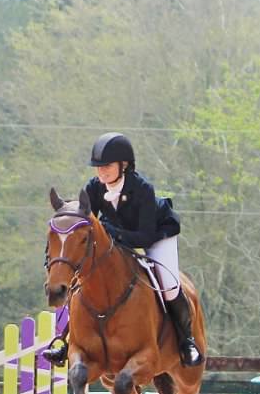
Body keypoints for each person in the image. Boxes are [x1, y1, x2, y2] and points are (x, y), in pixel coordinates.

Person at [42, 132, 203, 367]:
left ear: (123, 165)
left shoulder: (142, 189)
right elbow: (88, 227)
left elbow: (144, 236)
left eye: (107, 166)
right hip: (119, 240)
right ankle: (63, 341)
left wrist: (111, 234)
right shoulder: (94, 188)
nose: (102, 172)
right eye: (98, 167)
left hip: (156, 236)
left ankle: (186, 341)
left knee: (168, 284)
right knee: (79, 283)